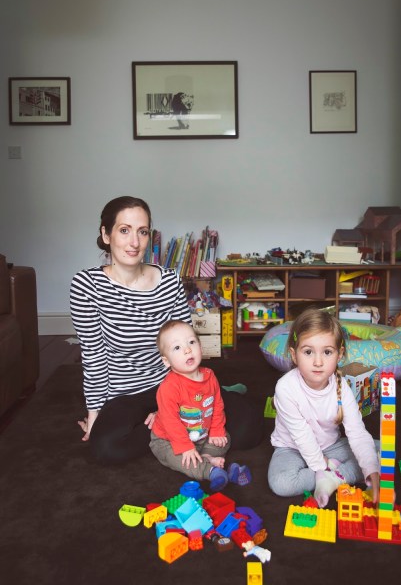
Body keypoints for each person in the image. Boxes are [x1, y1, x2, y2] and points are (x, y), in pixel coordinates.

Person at [70, 195, 263, 464]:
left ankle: (179, 422)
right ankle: (183, 429)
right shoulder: (86, 285)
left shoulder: (169, 281)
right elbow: (93, 356)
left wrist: (171, 406)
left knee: (249, 428)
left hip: (176, 383)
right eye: (124, 230)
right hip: (125, 395)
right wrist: (94, 414)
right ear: (105, 234)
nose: (134, 242)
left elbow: (185, 345)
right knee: (106, 449)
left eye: (142, 232)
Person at [268, 308, 380, 507]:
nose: (318, 362)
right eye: (308, 352)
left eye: (327, 352)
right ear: (294, 355)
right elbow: (301, 435)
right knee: (281, 483)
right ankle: (333, 474)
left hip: (330, 446)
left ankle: (333, 478)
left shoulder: (341, 387)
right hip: (292, 448)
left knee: (381, 453)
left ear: (339, 355)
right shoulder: (285, 387)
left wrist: (372, 471)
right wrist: (321, 465)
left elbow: (357, 432)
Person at [149, 320, 251, 491]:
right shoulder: (169, 387)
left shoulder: (210, 376)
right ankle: (210, 471)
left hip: (202, 434)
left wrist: (216, 430)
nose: (187, 350)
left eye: (191, 342)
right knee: (181, 459)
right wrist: (185, 447)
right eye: (177, 347)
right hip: (169, 439)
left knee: (224, 438)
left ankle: (206, 457)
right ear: (166, 361)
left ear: (200, 346)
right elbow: (170, 422)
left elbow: (217, 405)